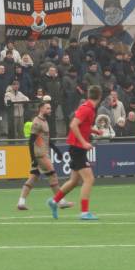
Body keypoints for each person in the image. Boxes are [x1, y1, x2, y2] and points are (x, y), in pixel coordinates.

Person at [47, 85, 103, 221]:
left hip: (77, 147)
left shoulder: (88, 108)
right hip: (77, 148)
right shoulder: (87, 108)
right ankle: (84, 212)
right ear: (100, 97)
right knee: (89, 179)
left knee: (74, 181)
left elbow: (83, 125)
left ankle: (54, 201)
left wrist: (95, 131)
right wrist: (84, 142)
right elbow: (73, 125)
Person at [17, 101, 74, 211]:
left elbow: (47, 139)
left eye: (50, 108)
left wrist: (56, 150)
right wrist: (33, 158)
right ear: (41, 109)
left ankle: (21, 202)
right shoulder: (37, 122)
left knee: (33, 178)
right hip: (40, 154)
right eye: (47, 108)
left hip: (41, 153)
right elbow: (31, 141)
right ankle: (61, 201)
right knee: (52, 175)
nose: (50, 110)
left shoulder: (44, 121)